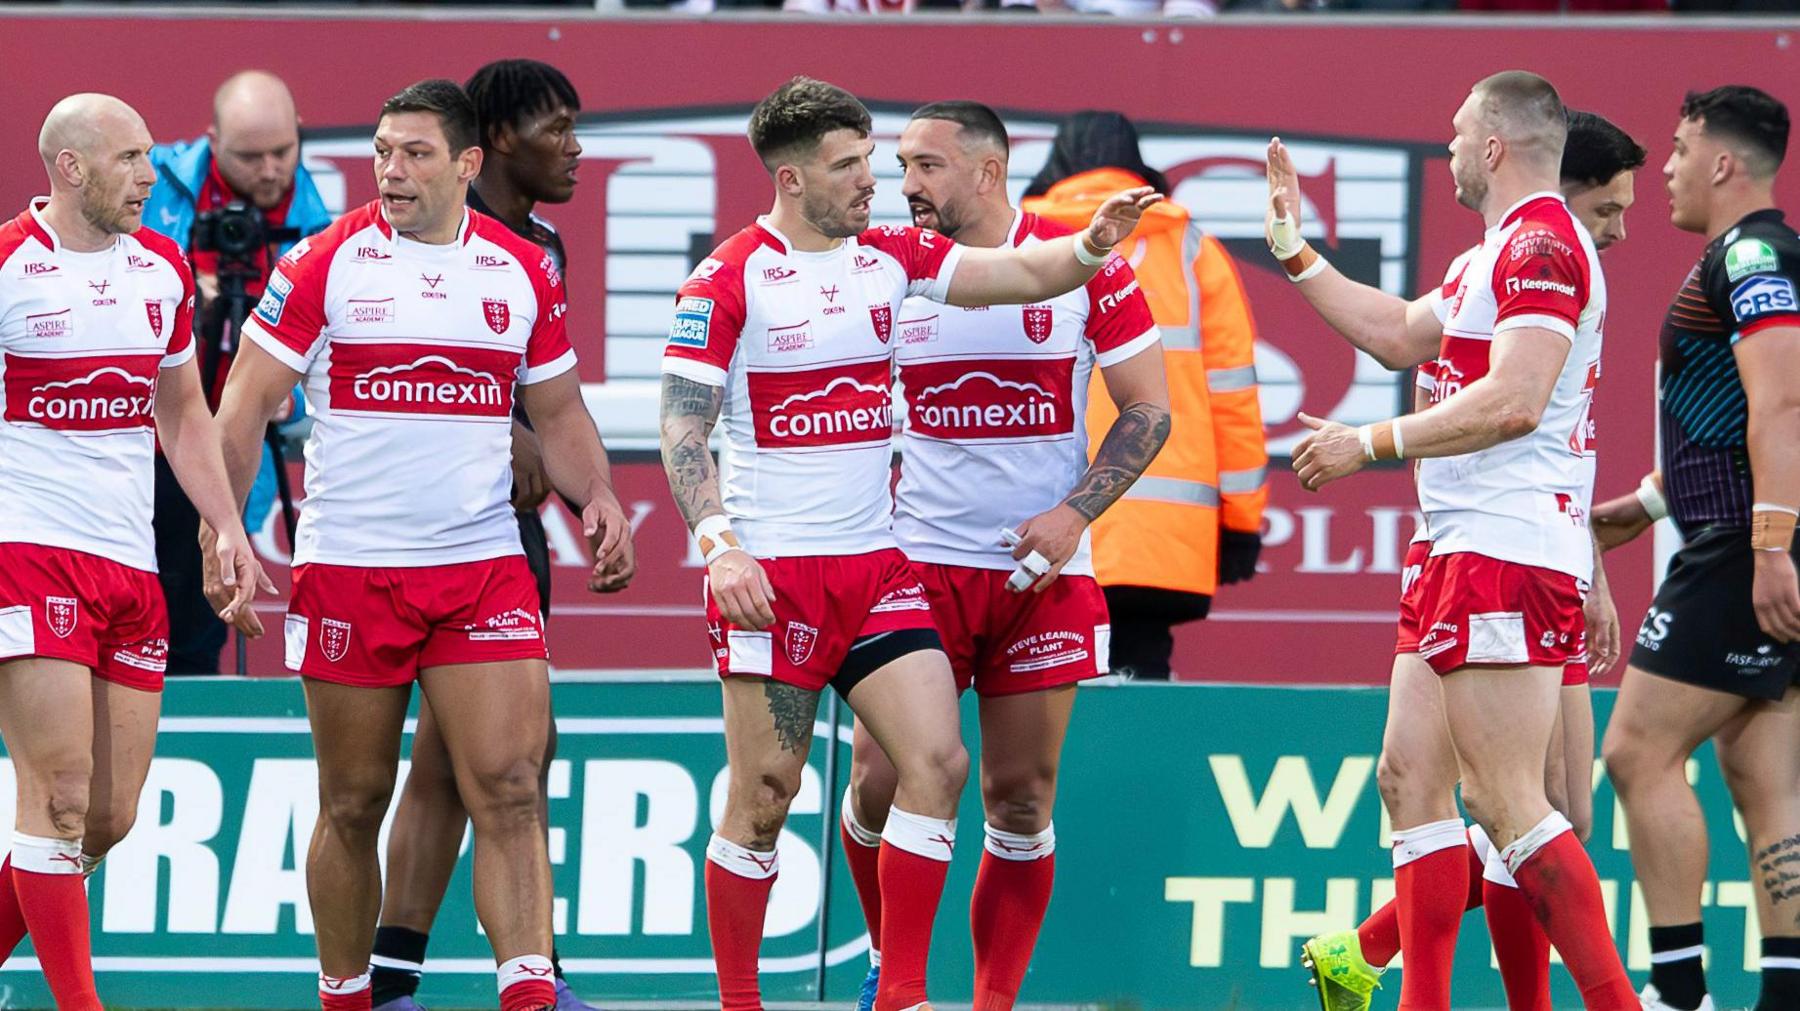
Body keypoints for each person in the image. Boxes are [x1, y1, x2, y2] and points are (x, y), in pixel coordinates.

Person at [657, 76, 1156, 1011]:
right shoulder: (726, 279)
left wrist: (1092, 243)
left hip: (881, 571)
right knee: (765, 795)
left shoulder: (891, 254)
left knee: (939, 765)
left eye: (874, 161)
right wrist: (719, 544)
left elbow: (1027, 274)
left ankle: (905, 995)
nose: (873, 182)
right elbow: (685, 428)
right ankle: (737, 1001)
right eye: (851, 166)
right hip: (774, 573)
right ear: (794, 179)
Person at [204, 79, 631, 1011]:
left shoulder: (522, 269)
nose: (391, 170)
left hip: (481, 569)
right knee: (353, 804)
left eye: (416, 154)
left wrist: (596, 491)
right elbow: (239, 411)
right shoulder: (323, 263)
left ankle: (527, 996)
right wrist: (225, 531)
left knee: (513, 786)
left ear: (468, 164)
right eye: (382, 152)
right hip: (351, 572)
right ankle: (351, 996)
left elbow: (558, 412)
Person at [1276, 71, 1637, 1010]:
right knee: (1410, 781)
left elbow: (1516, 400)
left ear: (1492, 147)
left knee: (1512, 804)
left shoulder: (1547, 246)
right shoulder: (1495, 252)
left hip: (1507, 546)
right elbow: (1399, 334)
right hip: (1456, 540)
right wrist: (1296, 255)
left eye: (1455, 132)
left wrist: (1371, 442)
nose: (1443, 147)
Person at [835, 102, 1167, 1011]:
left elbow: (1149, 408)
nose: (905, 185)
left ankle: (991, 1002)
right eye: (899, 164)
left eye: (927, 166)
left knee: (1019, 800)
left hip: (1040, 575)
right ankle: (887, 969)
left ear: (988, 173)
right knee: (878, 779)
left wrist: (1071, 513)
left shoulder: (1083, 263)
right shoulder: (885, 268)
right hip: (914, 568)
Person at [0, 93, 267, 1009]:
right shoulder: (7, 264)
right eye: (131, 159)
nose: (152, 176)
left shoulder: (159, 268)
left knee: (103, 821)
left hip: (130, 564)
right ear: (70, 168)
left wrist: (227, 527)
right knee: (61, 795)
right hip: (28, 551)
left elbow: (182, 414)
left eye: (153, 157)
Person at [368, 59, 622, 1011]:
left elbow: (552, 395)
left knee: (484, 759)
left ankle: (486, 977)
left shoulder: (541, 245)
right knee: (467, 762)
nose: (576, 148)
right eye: (557, 128)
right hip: (426, 536)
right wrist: (497, 428)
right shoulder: (409, 240)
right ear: (496, 143)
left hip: (507, 530)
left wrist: (591, 491)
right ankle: (461, 977)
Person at [1593, 85, 1800, 1011]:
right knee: (1764, 776)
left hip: (1744, 548)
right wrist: (1648, 499)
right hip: (1745, 531)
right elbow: (1734, 421)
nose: (1664, 169)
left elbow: (1784, 406)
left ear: (1723, 162)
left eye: (1678, 150)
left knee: (1637, 751)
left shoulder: (1752, 254)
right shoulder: (1755, 258)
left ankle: (1678, 996)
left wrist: (1769, 545)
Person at [1020, 111, 1267, 680]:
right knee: (1143, 689)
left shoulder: (1020, 246)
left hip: (1043, 521)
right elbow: (1234, 398)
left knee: (1039, 689)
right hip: (1163, 536)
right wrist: (1242, 522)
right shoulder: (1192, 251)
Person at [144, 69, 332, 675]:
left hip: (229, 448)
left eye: (283, 151)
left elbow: (327, 357)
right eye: (250, 157)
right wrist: (177, 291)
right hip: (141, 442)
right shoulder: (151, 184)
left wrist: (290, 402)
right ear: (211, 140)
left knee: (198, 635)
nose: (271, 169)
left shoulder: (315, 219)